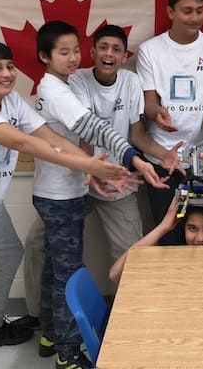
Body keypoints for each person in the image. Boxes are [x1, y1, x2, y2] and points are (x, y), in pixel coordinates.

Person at [0, 41, 131, 369]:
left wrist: (92, 166)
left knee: (9, 257)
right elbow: (21, 141)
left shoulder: (12, 101)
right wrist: (87, 165)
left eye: (9, 66)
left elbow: (52, 138)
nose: (7, 73)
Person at [33, 20, 166, 369]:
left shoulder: (61, 85)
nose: (73, 58)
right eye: (64, 52)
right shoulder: (61, 88)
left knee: (61, 267)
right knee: (64, 270)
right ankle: (65, 351)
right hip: (66, 191)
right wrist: (121, 162)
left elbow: (66, 139)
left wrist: (106, 166)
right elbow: (90, 129)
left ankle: (57, 334)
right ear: (45, 56)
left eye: (74, 50)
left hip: (79, 183)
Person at [70, 24, 182, 262]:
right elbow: (86, 133)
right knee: (40, 243)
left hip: (119, 182)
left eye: (116, 49)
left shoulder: (131, 81)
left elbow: (138, 136)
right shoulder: (78, 79)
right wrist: (92, 168)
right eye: (103, 47)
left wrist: (165, 155)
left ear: (124, 56)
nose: (109, 54)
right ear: (92, 52)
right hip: (80, 178)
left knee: (131, 256)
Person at [136, 0, 203, 244]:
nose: (194, 18)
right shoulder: (150, 51)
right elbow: (149, 102)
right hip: (163, 158)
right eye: (187, 11)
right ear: (170, 12)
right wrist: (157, 113)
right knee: (169, 236)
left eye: (199, 10)